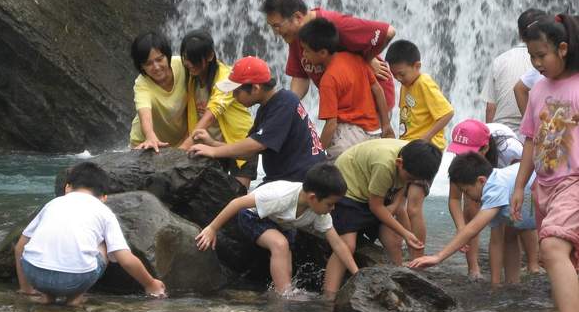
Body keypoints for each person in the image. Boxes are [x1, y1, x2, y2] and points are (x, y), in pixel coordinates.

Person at [195, 162, 359, 296]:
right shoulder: (280, 196)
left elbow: (338, 244)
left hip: (281, 223)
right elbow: (237, 203)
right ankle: (285, 295)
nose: (333, 209)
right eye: (330, 204)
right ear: (313, 198)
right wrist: (212, 228)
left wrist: (357, 274)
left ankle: (284, 290)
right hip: (253, 217)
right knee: (280, 244)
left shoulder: (321, 212)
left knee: (285, 253)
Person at [14, 162, 166, 305]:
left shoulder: (51, 204)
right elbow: (124, 258)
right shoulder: (104, 212)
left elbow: (20, 247)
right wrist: (150, 284)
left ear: (67, 188)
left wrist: (26, 289)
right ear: (104, 198)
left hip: (35, 275)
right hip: (75, 280)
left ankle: (47, 296)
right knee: (105, 245)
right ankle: (75, 298)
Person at [511, 14, 579, 312]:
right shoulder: (538, 89)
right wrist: (519, 186)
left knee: (552, 246)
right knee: (564, 256)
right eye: (531, 56)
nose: (537, 63)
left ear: (562, 49)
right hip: (544, 187)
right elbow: (530, 140)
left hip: (574, 182)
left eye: (542, 55)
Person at [323, 139, 442, 295]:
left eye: (414, 180)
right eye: (410, 178)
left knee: (393, 239)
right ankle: (329, 294)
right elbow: (376, 206)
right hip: (348, 191)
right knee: (347, 245)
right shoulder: (385, 164)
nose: (410, 182)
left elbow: (401, 185)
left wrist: (395, 207)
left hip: (371, 190)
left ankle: (400, 277)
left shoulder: (410, 157)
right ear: (399, 163)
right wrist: (406, 233)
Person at [188, 56, 325, 183]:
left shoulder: (285, 103)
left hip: (302, 182)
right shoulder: (269, 107)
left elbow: (255, 145)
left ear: (255, 88)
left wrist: (214, 151)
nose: (234, 97)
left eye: (236, 91)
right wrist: (211, 143)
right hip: (286, 180)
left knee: (237, 206)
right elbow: (248, 153)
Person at [260, 0, 396, 113]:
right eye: (271, 27)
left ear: (298, 17)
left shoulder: (333, 24)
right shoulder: (295, 35)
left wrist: (367, 58)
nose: (275, 33)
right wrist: (286, 106)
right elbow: (301, 77)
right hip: (345, 105)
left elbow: (388, 32)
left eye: (277, 26)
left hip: (372, 100)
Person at [409, 152, 536, 285]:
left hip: (546, 198)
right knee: (509, 236)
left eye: (467, 191)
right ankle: (512, 284)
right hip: (528, 205)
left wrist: (438, 257)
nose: (467, 196)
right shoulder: (492, 183)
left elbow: (472, 228)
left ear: (481, 181)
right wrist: (495, 284)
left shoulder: (495, 187)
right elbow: (496, 242)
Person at [385, 39, 454, 258]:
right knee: (400, 206)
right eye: (395, 75)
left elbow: (447, 113)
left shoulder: (424, 83)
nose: (399, 79)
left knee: (413, 207)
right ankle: (409, 245)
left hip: (424, 154)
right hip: (408, 150)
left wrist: (425, 139)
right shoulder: (407, 85)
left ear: (417, 65)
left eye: (402, 74)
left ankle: (419, 256)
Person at [446, 119, 539, 280]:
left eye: (468, 152)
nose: (462, 156)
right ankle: (474, 269)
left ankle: (533, 264)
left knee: (514, 224)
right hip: (484, 178)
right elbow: (454, 199)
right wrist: (461, 229)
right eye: (459, 152)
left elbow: (526, 184)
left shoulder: (511, 151)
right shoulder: (461, 162)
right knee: (472, 211)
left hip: (513, 176)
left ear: (485, 148)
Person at [297, 18, 394, 159]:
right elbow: (378, 91)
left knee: (328, 170)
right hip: (374, 132)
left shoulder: (328, 80)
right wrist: (386, 125)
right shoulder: (356, 59)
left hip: (348, 138)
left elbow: (331, 125)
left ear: (323, 53)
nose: (304, 55)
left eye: (306, 51)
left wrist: (317, 154)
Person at [177, 30, 256, 188]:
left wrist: (185, 146)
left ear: (210, 56)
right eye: (185, 58)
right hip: (209, 143)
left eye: (193, 59)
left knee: (237, 194)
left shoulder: (227, 78)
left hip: (240, 142)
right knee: (207, 193)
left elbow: (212, 113)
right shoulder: (192, 76)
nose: (189, 64)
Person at [481, 9, 547, 136]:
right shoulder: (548, 62)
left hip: (502, 133)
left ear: (520, 33)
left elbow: (490, 107)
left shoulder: (500, 61)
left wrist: (489, 139)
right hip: (535, 131)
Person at [129, 31, 187, 151]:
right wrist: (150, 136)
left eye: (159, 59)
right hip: (147, 144)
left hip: (182, 140)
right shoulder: (142, 84)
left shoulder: (184, 66)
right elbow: (144, 110)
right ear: (141, 67)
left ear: (167, 56)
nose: (156, 67)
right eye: (148, 63)